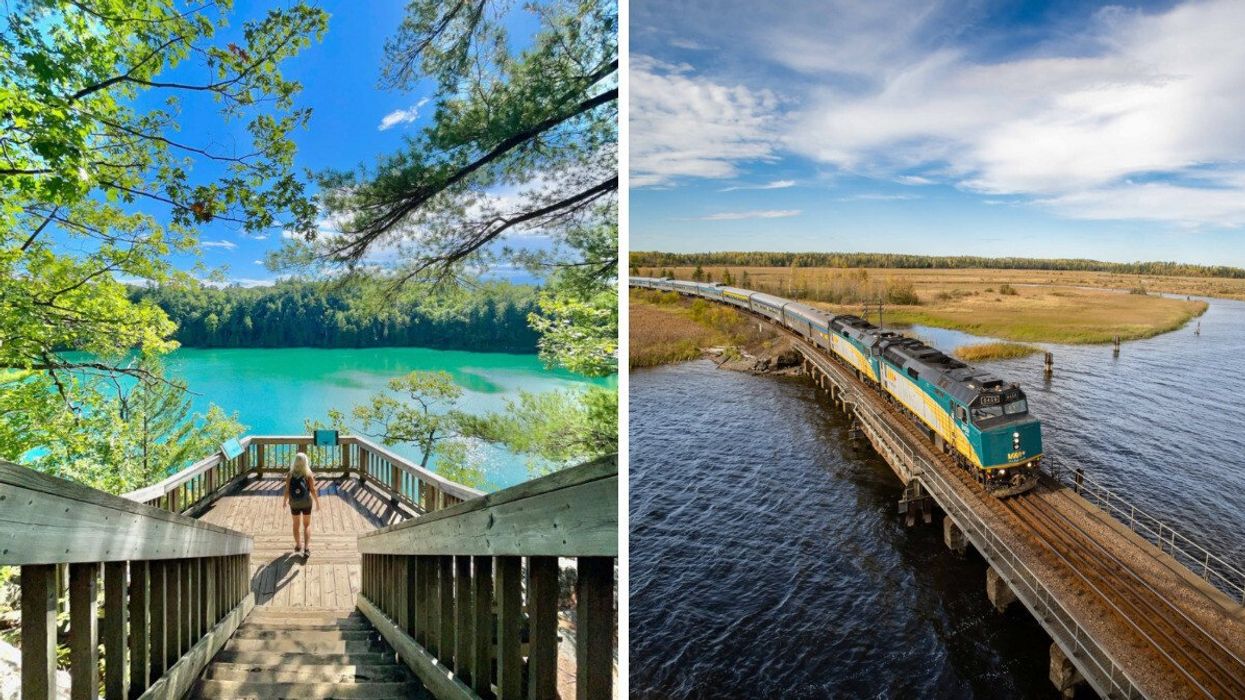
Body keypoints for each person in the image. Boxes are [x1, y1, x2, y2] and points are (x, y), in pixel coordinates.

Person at [282, 453, 320, 556]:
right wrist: (317, 503)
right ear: (305, 462)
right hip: (306, 502)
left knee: (296, 525)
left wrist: (284, 502)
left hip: (294, 503)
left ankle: (298, 545)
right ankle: (306, 549)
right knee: (307, 525)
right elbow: (312, 490)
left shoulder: (290, 474)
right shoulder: (308, 474)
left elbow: (287, 490)